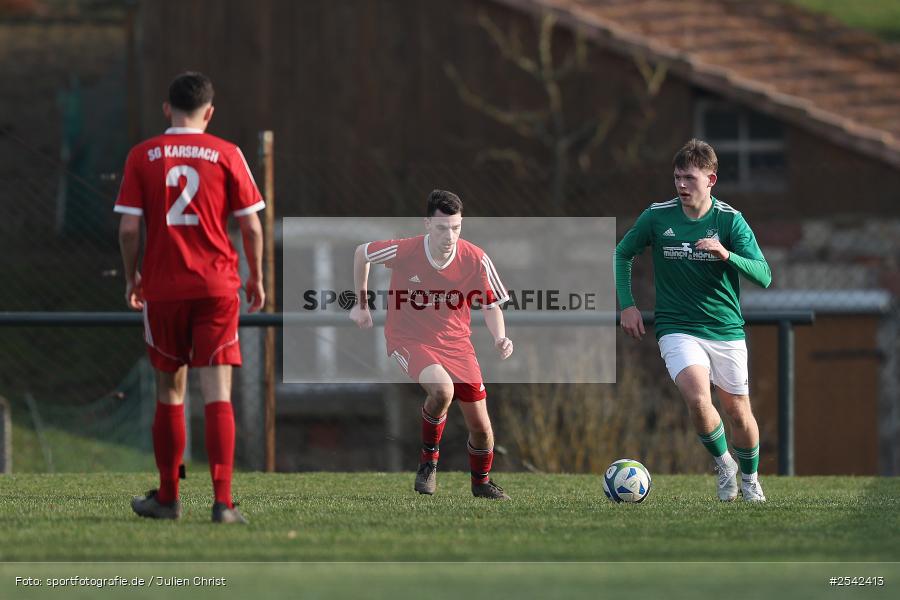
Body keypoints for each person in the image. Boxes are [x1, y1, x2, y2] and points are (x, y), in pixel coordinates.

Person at [115, 72, 265, 523]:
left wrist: (132, 277)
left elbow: (127, 228)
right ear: (210, 112)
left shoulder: (143, 155)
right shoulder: (227, 153)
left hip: (163, 288)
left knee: (170, 391)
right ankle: (222, 502)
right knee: (217, 391)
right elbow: (252, 226)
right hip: (217, 287)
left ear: (167, 109)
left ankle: (167, 497)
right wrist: (254, 276)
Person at [614, 139, 772, 502]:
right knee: (699, 399)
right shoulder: (657, 216)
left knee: (737, 411)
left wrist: (726, 253)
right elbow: (623, 253)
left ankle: (749, 478)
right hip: (677, 327)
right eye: (677, 178)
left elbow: (764, 275)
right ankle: (724, 466)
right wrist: (628, 305)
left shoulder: (730, 220)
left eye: (690, 178)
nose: (682, 185)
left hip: (725, 329)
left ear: (711, 179)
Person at [350, 190, 513, 499]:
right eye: (441, 228)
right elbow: (363, 252)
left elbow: (491, 304)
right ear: (427, 224)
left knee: (481, 428)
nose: (449, 235)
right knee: (443, 390)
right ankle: (429, 462)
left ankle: (481, 483)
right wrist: (361, 302)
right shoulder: (407, 250)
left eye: (456, 227)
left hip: (457, 346)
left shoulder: (476, 258)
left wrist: (499, 337)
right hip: (408, 339)